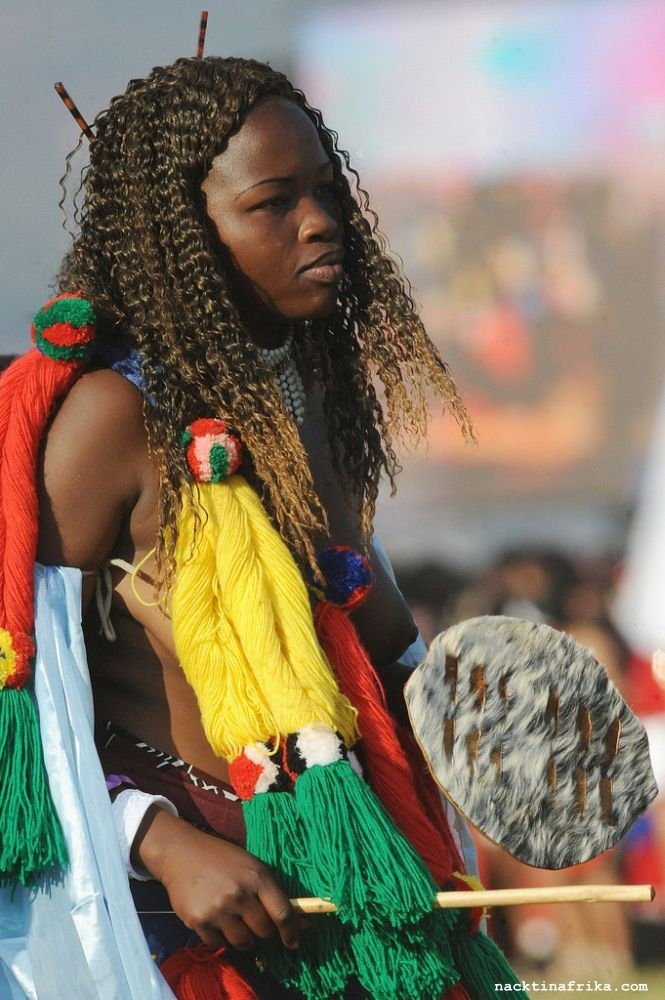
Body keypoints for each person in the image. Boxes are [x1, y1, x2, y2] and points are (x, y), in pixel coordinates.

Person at [0, 56, 522, 999]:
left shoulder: (318, 402)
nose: (321, 221)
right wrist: (160, 844)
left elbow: (386, 642)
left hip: (345, 874)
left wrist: (500, 729)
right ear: (180, 240)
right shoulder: (110, 419)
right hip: (176, 911)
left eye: (324, 189)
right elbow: (19, 705)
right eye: (272, 202)